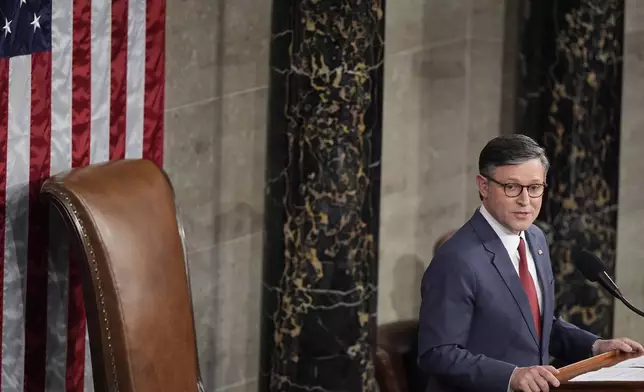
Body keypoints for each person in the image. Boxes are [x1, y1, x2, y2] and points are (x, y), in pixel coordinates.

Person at [417, 135, 644, 392]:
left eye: (535, 187)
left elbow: (539, 324)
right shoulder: (457, 259)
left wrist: (595, 347)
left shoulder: (534, 237)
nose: (525, 200)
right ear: (483, 186)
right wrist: (511, 376)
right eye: (512, 187)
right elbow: (437, 354)